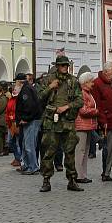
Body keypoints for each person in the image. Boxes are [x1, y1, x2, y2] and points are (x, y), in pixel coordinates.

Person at [38, 55, 83, 192]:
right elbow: (39, 98)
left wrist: (67, 107)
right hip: (51, 121)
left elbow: (80, 101)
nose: (65, 67)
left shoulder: (73, 81)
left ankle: (72, 180)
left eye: (66, 65)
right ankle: (46, 180)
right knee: (48, 152)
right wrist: (50, 87)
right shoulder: (47, 80)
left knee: (70, 152)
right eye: (62, 65)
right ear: (57, 66)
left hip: (68, 121)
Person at [15, 72, 42, 175]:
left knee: (29, 145)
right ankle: (27, 165)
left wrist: (25, 118)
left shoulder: (26, 90)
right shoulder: (28, 88)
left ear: (19, 81)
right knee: (26, 143)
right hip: (32, 119)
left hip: (31, 120)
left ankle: (33, 167)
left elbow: (29, 106)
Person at [74, 71, 98, 184]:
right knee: (80, 151)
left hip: (87, 125)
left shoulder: (88, 93)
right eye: (91, 81)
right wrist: (96, 111)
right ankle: (78, 175)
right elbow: (82, 110)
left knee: (85, 150)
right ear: (85, 82)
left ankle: (83, 174)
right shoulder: (82, 93)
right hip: (81, 125)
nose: (93, 83)